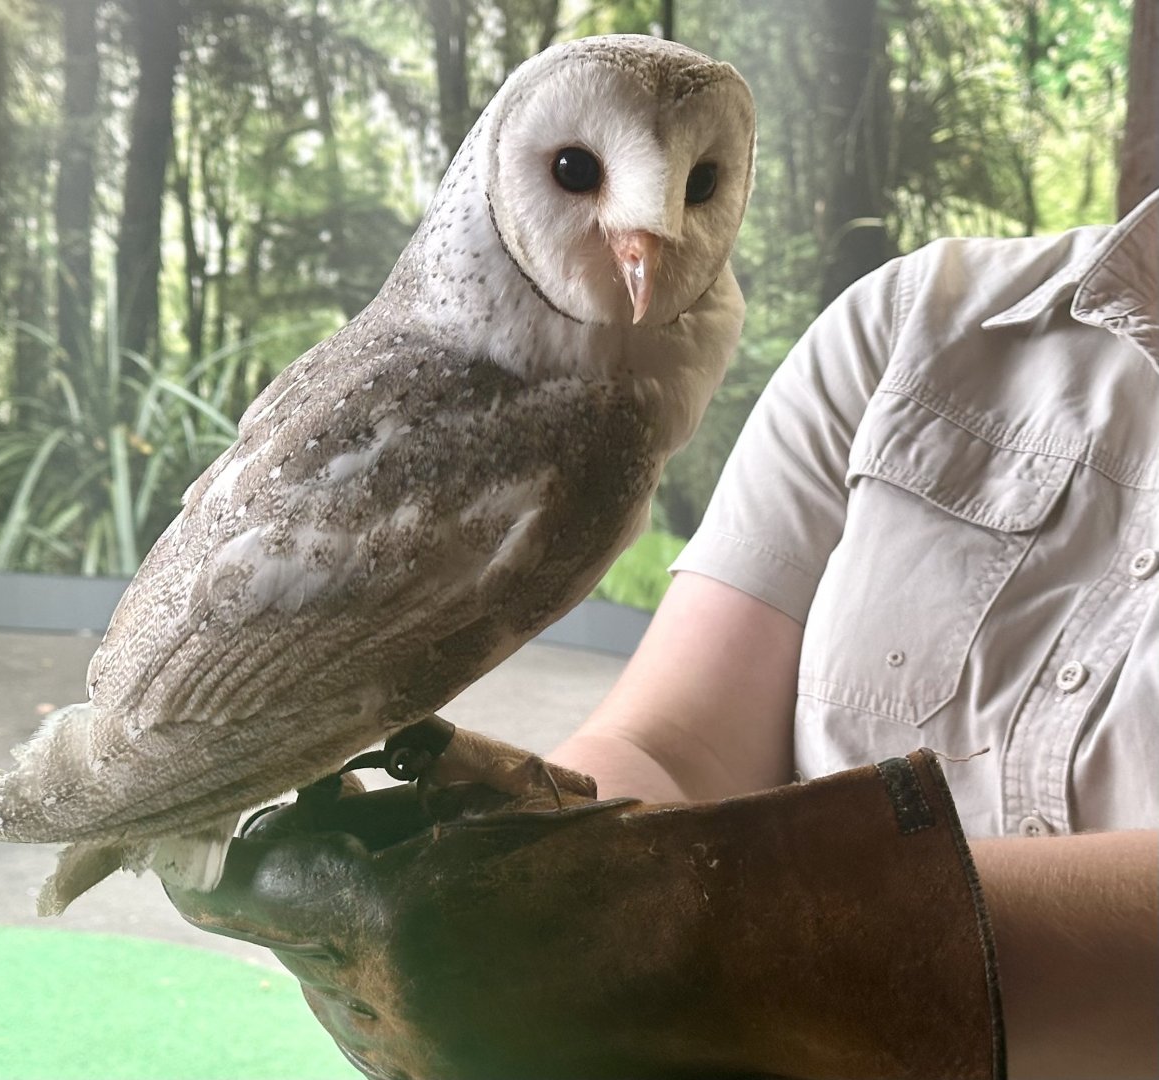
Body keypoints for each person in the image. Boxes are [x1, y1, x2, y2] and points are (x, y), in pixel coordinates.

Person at [171, 189, 1159, 1080]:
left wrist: (698, 934)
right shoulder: (923, 324)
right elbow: (676, 740)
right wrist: (532, 859)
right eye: (574, 175)